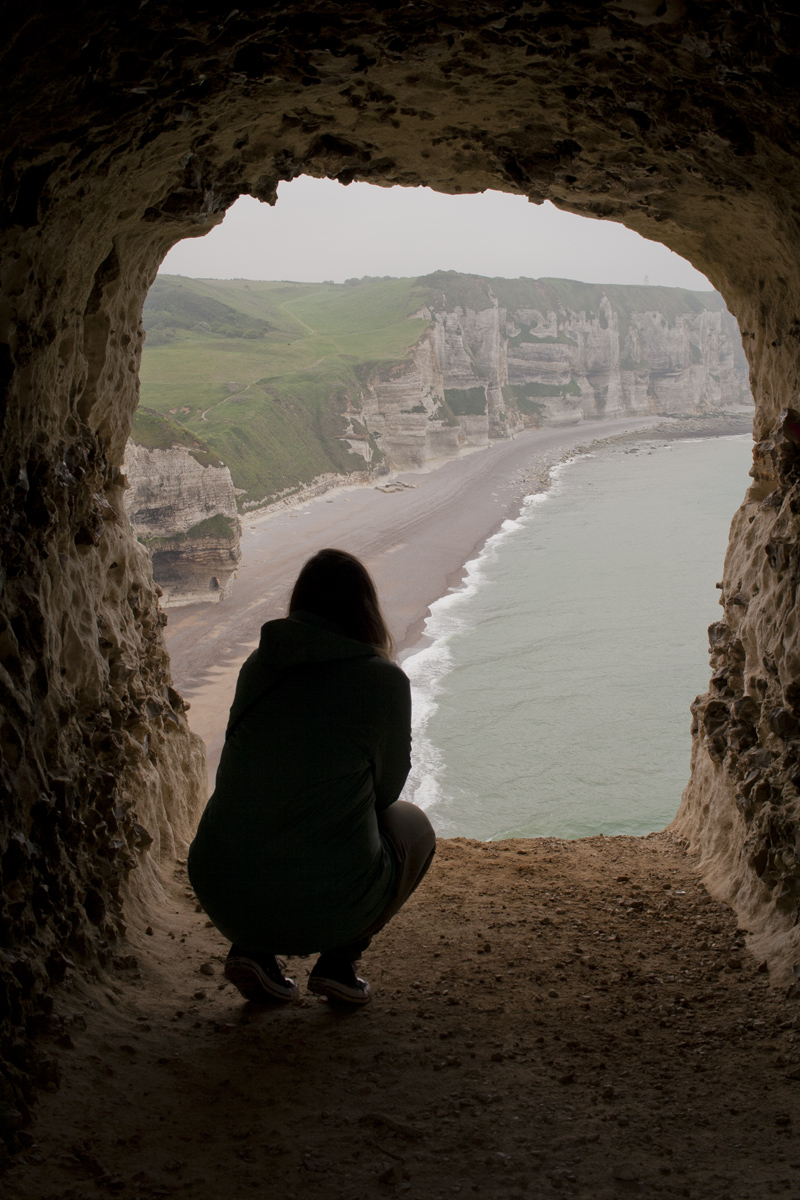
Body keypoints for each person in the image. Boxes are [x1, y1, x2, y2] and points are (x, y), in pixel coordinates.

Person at [188, 548, 436, 1006]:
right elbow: (387, 793)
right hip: (328, 901)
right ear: (365, 610)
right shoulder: (382, 681)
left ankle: (253, 951)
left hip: (220, 886)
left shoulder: (258, 667)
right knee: (414, 827)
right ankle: (339, 963)